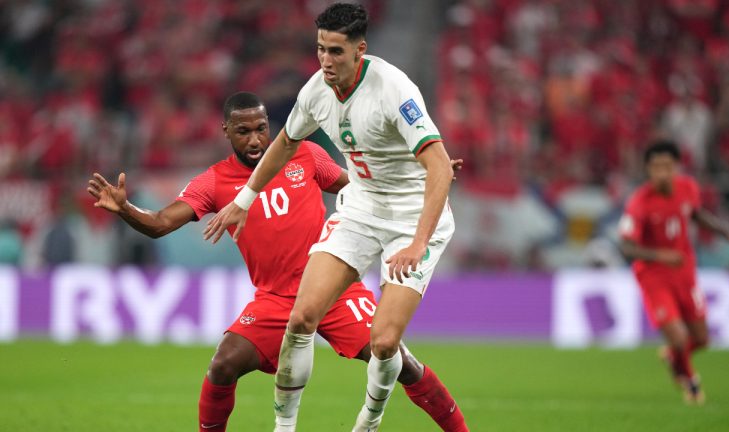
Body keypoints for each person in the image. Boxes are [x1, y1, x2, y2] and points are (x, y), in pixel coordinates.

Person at [87, 92, 468, 431]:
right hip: (276, 299)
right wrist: (125, 209)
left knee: (399, 362)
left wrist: (427, 177)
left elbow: (367, 189)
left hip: (333, 288)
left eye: (261, 129)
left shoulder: (306, 154)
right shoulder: (215, 182)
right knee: (223, 365)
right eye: (243, 131)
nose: (255, 140)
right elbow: (160, 224)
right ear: (226, 131)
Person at [203, 4, 467, 431]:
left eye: (336, 52)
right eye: (320, 49)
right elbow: (287, 142)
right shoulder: (315, 91)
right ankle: (284, 428)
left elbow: (438, 167)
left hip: (410, 218)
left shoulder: (393, 89)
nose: (326, 60)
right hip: (361, 208)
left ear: (359, 50)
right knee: (302, 317)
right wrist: (247, 198)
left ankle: (369, 420)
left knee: (384, 344)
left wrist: (418, 243)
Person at [618, 140, 729, 404]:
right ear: (648, 170)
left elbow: (696, 214)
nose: (662, 173)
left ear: (677, 167)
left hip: (685, 273)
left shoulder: (688, 188)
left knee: (702, 340)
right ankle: (691, 384)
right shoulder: (639, 203)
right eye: (656, 167)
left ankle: (673, 358)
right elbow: (625, 246)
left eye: (667, 167)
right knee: (679, 337)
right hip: (654, 276)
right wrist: (660, 255)